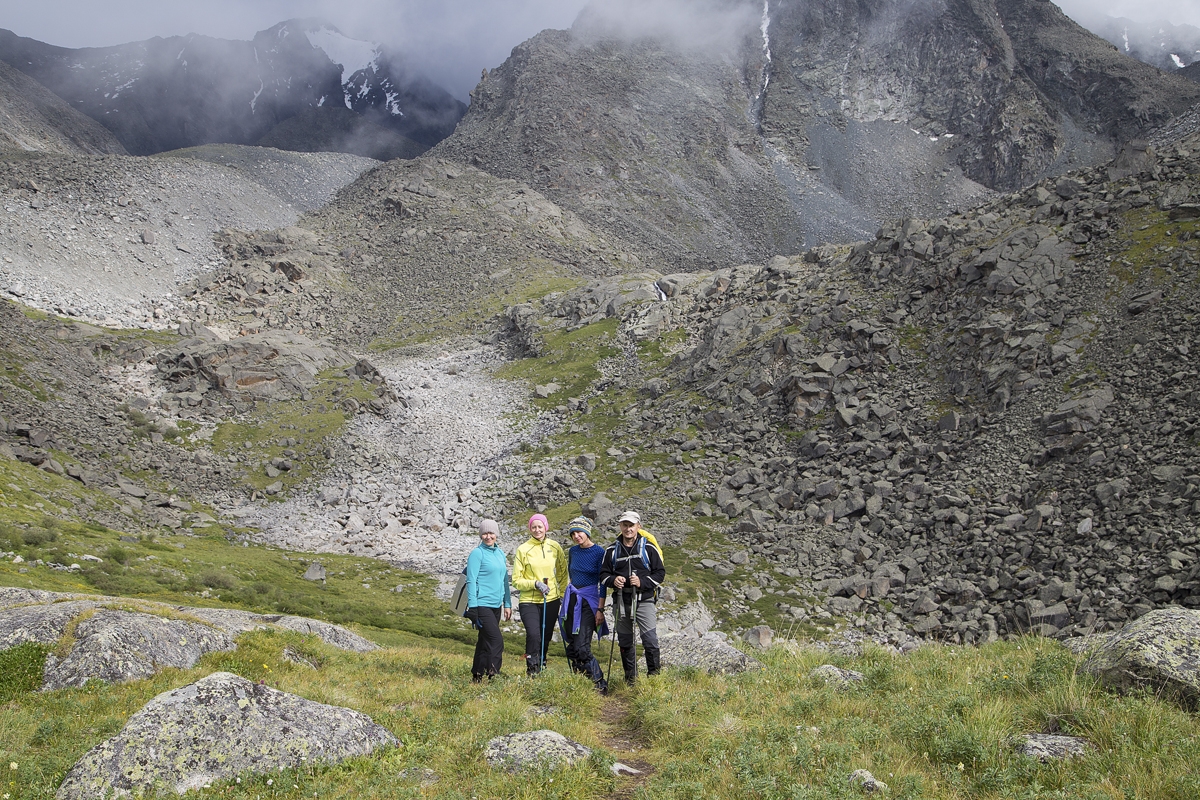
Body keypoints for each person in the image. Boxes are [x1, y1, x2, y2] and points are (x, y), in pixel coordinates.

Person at [600, 510, 665, 684]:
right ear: (620, 526)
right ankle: (631, 681)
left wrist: (642, 582)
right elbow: (603, 576)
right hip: (621, 601)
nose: (628, 529)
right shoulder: (612, 550)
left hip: (644, 600)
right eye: (625, 525)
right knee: (625, 641)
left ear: (638, 527)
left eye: (631, 525)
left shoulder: (648, 548)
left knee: (650, 640)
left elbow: (660, 574)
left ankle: (653, 680)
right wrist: (614, 580)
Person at [512, 513, 568, 676]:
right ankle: (532, 669)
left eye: (540, 526)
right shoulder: (523, 549)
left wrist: (563, 594)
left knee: (546, 635)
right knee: (534, 634)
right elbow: (516, 580)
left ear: (546, 527)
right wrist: (535, 584)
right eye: (533, 527)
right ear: (530, 529)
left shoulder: (555, 547)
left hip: (551, 600)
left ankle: (542, 664)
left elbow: (563, 573)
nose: (537, 530)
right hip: (529, 600)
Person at [559, 516, 608, 693]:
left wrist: (600, 609)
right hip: (572, 599)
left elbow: (603, 583)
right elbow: (572, 575)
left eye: (579, 532)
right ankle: (581, 683)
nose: (576, 536)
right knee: (572, 644)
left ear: (587, 532)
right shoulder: (573, 551)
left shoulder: (599, 552)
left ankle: (599, 683)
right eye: (573, 534)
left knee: (582, 646)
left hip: (589, 601)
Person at [465, 518, 512, 683]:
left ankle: (477, 676)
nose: (488, 536)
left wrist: (507, 603)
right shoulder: (477, 554)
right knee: (496, 640)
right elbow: (471, 580)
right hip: (482, 604)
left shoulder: (500, 553)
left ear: (496, 534)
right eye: (484, 533)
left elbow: (504, 580)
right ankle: (493, 675)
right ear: (480, 535)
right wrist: (473, 607)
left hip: (496, 605)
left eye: (491, 533)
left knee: (484, 641)